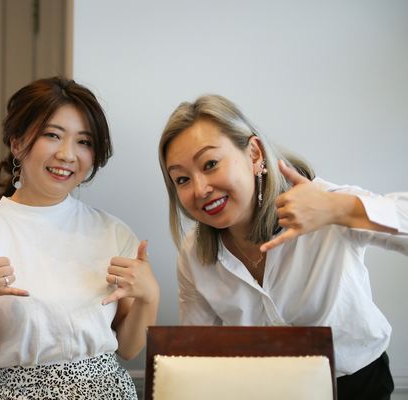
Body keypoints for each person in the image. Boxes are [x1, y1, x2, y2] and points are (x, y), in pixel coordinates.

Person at [158, 94, 407, 400]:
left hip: (357, 384)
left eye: (210, 164)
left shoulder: (323, 203)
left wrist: (338, 209)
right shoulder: (193, 253)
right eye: (182, 179)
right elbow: (200, 350)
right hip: (264, 389)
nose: (200, 189)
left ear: (254, 154)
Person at [0, 77, 160, 399]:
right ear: (17, 144)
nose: (68, 154)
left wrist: (149, 296)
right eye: (52, 135)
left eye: (84, 142)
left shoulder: (114, 233)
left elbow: (128, 348)